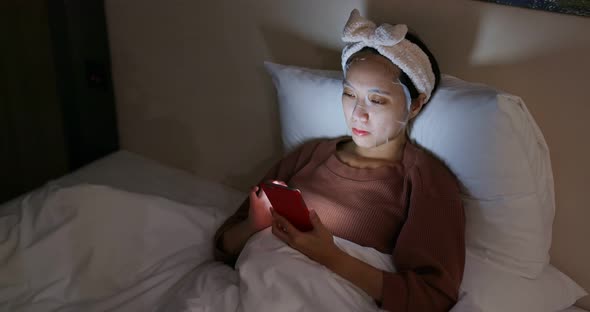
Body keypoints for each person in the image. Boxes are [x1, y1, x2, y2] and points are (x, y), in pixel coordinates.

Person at [213, 9, 465, 312]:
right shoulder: (310, 155)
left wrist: (329, 256)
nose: (358, 114)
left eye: (377, 100)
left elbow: (432, 296)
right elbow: (224, 246)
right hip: (254, 284)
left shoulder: (424, 179)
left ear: (415, 105)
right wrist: (254, 224)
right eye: (349, 94)